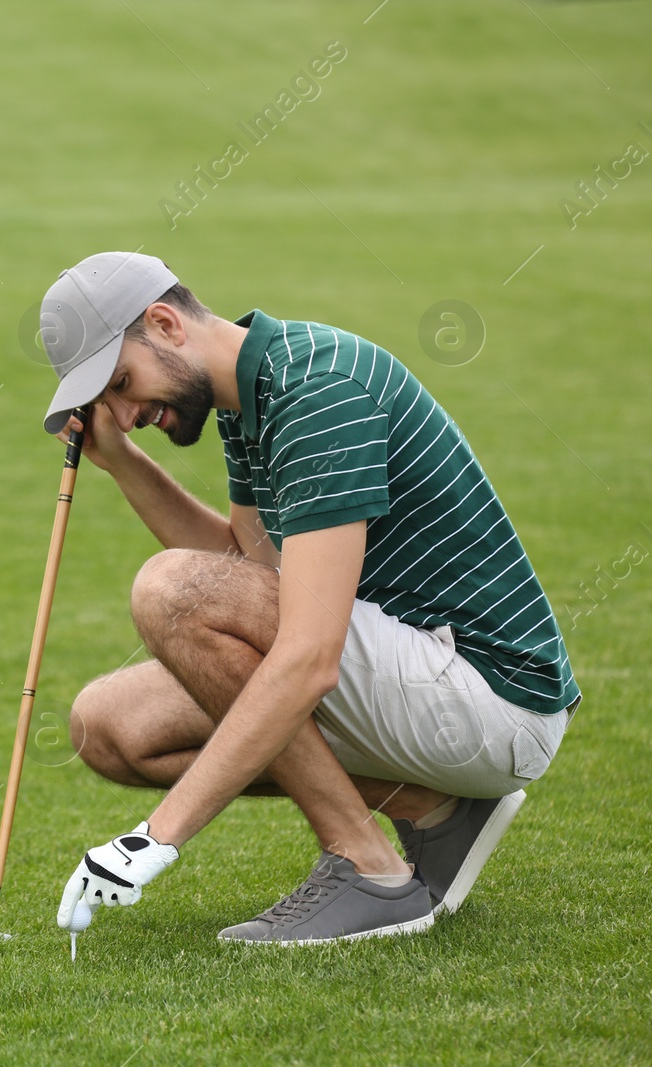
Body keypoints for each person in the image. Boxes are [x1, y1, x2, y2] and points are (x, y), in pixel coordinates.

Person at [40, 252, 580, 943]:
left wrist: (156, 839)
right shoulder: (251, 399)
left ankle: (370, 869)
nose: (125, 412)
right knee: (107, 725)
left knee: (170, 588)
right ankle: (435, 809)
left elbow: (306, 654)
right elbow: (247, 569)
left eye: (121, 382)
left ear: (166, 323)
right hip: (423, 680)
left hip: (494, 701)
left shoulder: (319, 390)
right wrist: (122, 462)